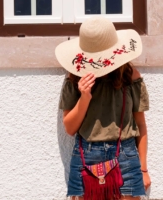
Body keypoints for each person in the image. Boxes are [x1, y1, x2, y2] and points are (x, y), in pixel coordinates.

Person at [55, 16, 151, 200]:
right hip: (86, 154)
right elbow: (70, 128)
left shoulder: (130, 77)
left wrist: (143, 167)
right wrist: (85, 97)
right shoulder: (74, 78)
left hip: (126, 154)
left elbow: (140, 124)